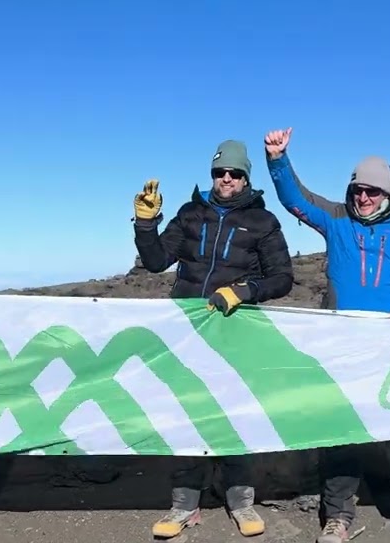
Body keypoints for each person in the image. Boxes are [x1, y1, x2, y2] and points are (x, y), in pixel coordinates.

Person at [263, 127, 390, 543]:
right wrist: (278, 160)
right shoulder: (336, 220)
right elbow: (296, 199)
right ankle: (338, 516)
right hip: (343, 350)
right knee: (341, 430)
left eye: (372, 192)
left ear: (389, 194)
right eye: (358, 191)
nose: (363, 198)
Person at [133, 139, 294, 539]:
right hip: (187, 333)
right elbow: (155, 262)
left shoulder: (263, 221)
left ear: (246, 178)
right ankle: (184, 505)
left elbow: (282, 278)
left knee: (234, 415)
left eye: (235, 173)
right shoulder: (191, 214)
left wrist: (243, 291)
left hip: (236, 334)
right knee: (187, 415)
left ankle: (241, 502)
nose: (227, 178)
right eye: (221, 172)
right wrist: (146, 225)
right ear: (212, 174)